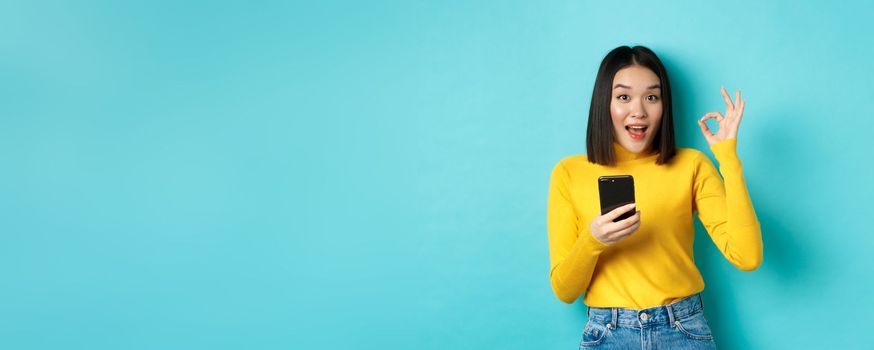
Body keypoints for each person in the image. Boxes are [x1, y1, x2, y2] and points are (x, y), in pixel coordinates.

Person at [546, 45, 763, 349]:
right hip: (608, 334)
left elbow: (748, 256)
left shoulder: (691, 165)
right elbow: (564, 290)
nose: (639, 111)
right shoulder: (569, 173)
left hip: (683, 330)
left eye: (652, 97)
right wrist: (593, 240)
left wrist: (727, 158)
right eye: (623, 97)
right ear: (603, 103)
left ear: (664, 105)